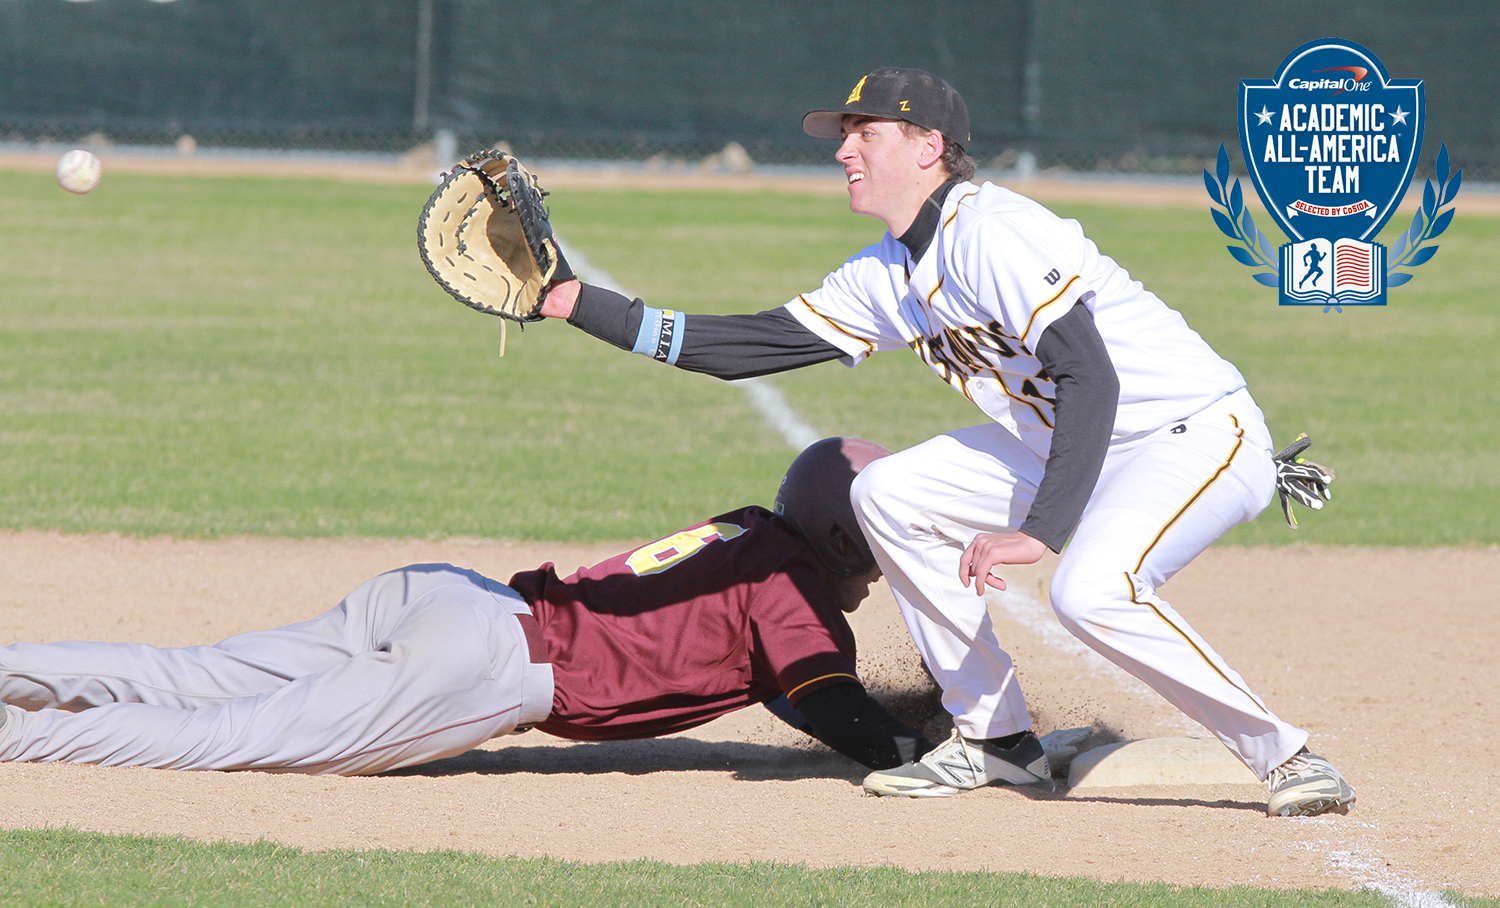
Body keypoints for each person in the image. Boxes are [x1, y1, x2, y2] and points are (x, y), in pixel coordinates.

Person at [532, 68, 1355, 817]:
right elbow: (746, 347)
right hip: (1069, 442)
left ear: (930, 147)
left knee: (1089, 592)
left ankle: (1285, 757)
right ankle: (999, 743)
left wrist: (1041, 530)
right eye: (843, 135)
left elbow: (1089, 377)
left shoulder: (994, 230)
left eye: (867, 133)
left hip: (1193, 432)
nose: (845, 149)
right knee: (888, 491)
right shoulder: (885, 272)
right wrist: (576, 303)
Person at [0, 438, 936, 777]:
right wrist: (933, 753)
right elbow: (824, 702)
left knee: (194, 673)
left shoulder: (747, 536)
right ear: (848, 541)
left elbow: (789, 687)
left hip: (450, 597)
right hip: (482, 671)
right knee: (227, 737)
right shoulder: (794, 591)